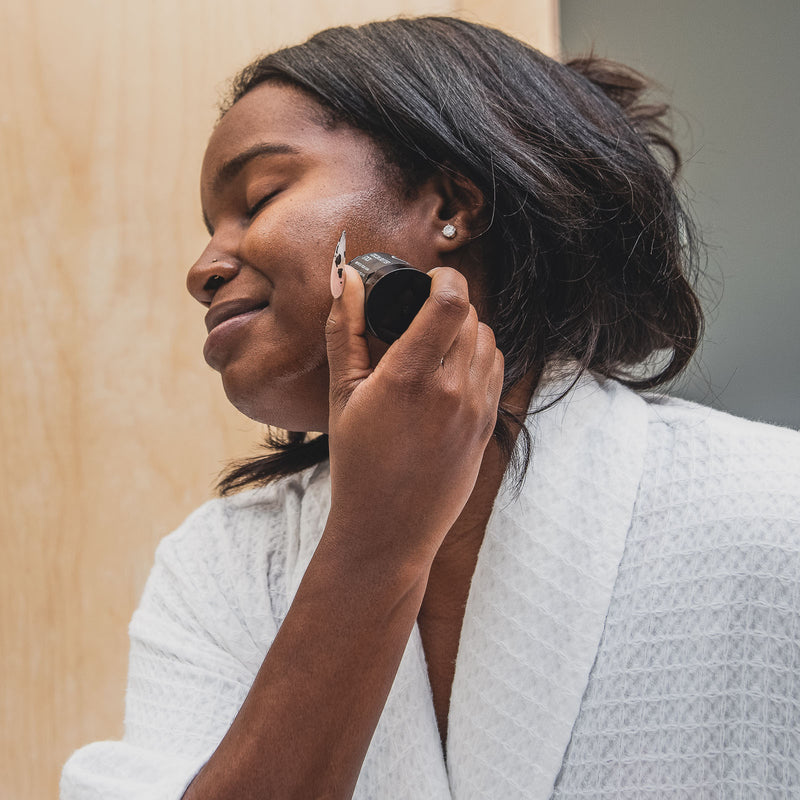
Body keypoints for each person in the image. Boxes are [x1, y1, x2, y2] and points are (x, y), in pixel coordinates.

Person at [61, 16, 800, 800]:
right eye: (212, 229)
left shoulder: (772, 512)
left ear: (451, 204)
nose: (203, 268)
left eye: (261, 197)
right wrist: (374, 543)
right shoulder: (221, 568)